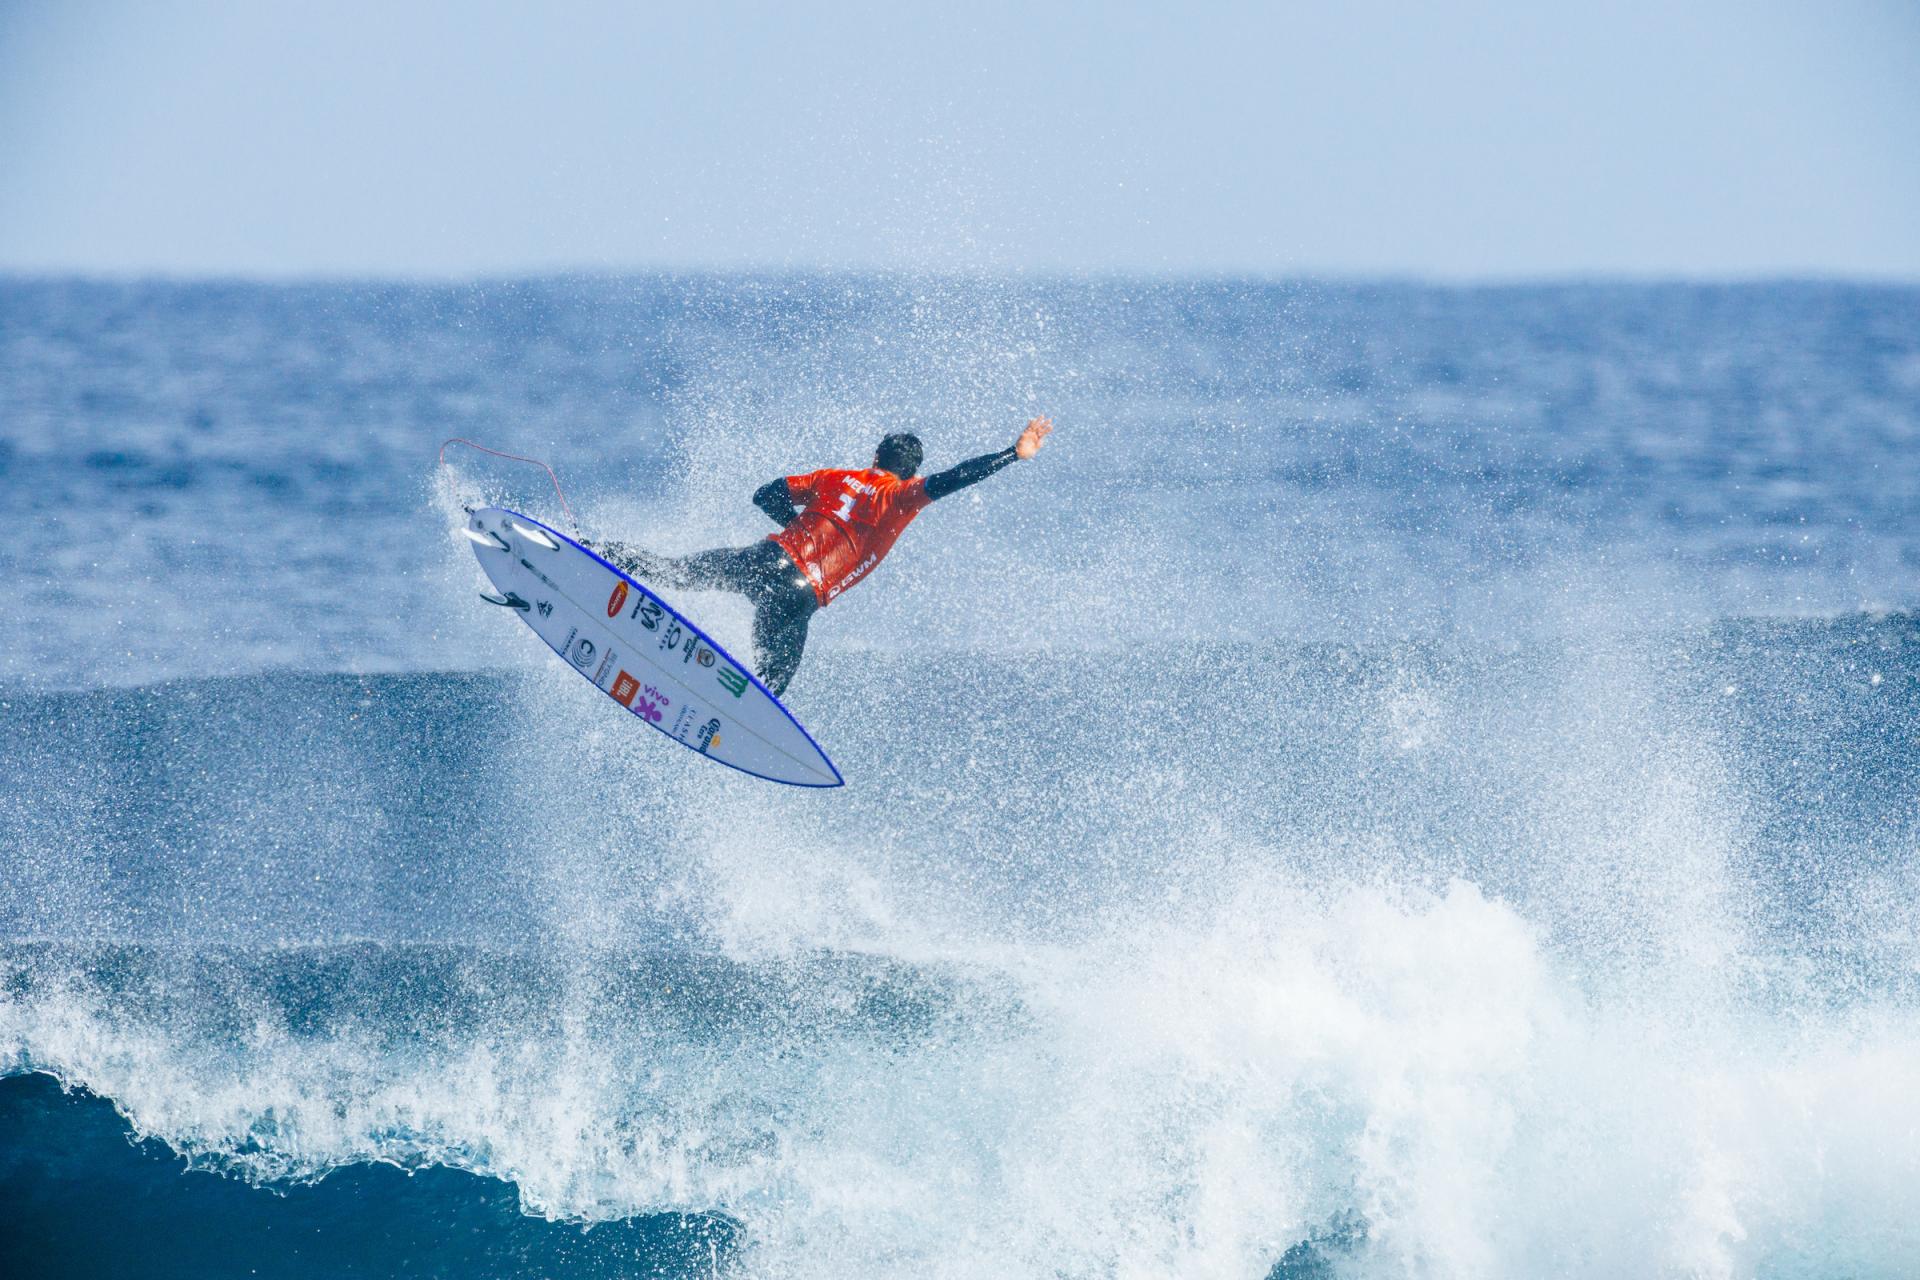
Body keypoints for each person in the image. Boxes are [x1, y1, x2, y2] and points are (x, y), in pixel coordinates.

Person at [600, 416, 1054, 695]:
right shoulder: (899, 497)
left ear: (874, 456)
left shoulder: (833, 477)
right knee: (767, 689)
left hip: (766, 559)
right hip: (798, 596)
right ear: (910, 472)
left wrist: (792, 528)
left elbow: (766, 494)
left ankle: (597, 552)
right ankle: (714, 700)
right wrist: (1012, 454)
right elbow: (956, 477)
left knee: (674, 572)